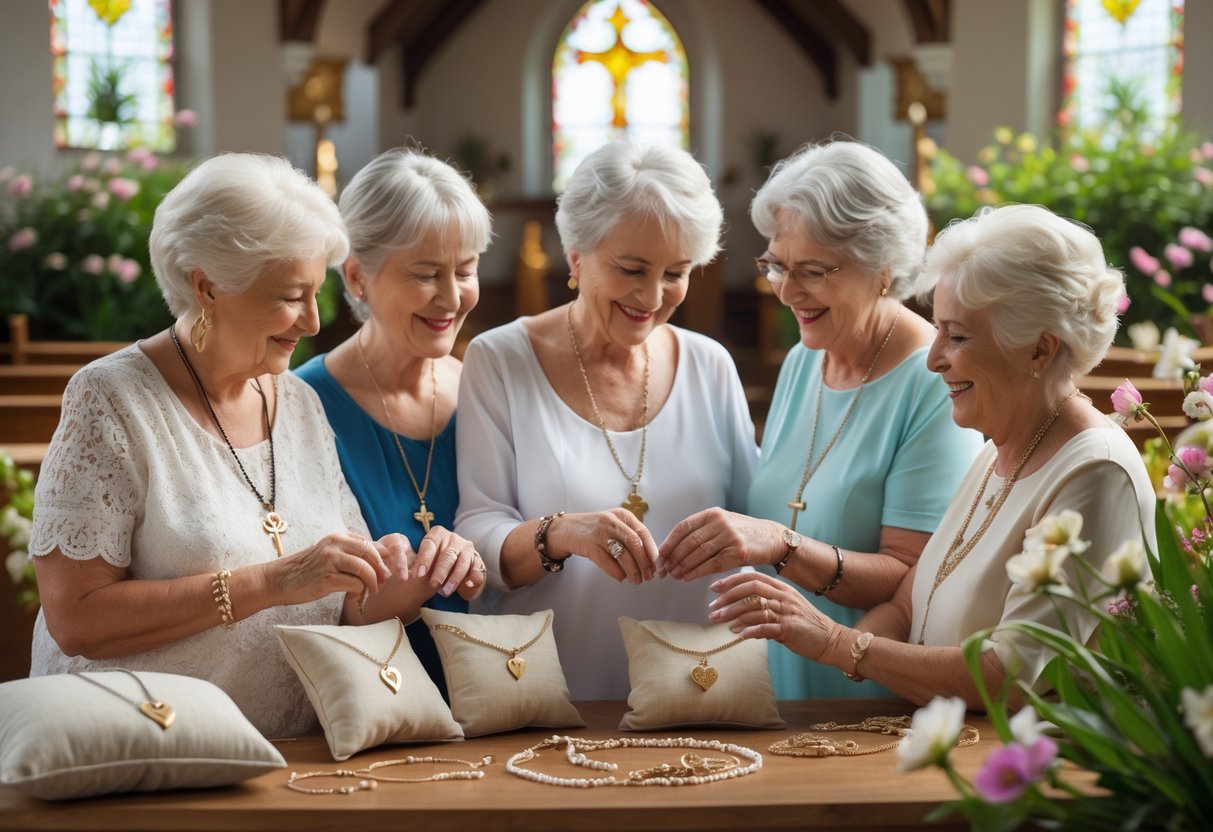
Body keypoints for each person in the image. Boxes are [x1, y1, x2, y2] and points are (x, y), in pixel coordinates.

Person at [27, 154, 460, 739]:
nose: (313, 321)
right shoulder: (110, 398)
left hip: (290, 757)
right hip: (142, 749)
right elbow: (75, 619)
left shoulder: (300, 403)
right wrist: (274, 581)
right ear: (207, 286)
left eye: (316, 293)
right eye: (292, 295)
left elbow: (345, 606)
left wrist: (414, 579)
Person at [708, 203, 1156, 706]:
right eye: (936, 328)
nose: (933, 358)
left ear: (1040, 349)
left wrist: (835, 643)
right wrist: (810, 639)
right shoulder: (1000, 450)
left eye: (957, 336)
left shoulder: (1095, 470)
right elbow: (907, 606)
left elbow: (1007, 676)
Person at [658, 140, 984, 699]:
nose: (787, 291)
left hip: (867, 696)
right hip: (780, 689)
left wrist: (780, 544)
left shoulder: (932, 382)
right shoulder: (804, 361)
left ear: (882, 268)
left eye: (811, 271)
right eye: (776, 266)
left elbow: (915, 577)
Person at [455, 141, 758, 700]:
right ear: (576, 256)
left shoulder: (710, 365)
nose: (652, 296)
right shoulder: (499, 359)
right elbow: (476, 535)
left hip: (699, 696)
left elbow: (753, 524)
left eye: (676, 273)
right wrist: (559, 533)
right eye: (632, 268)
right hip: (549, 697)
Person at [296, 148, 490, 698]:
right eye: (427, 274)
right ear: (358, 276)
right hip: (371, 698)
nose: (452, 297)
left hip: (502, 690)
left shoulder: (483, 389)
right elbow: (307, 602)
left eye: (466, 270)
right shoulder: (302, 404)